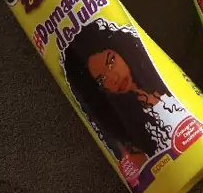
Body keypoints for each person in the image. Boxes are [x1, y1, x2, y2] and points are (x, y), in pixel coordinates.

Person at [62, 19, 185, 171]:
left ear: (122, 50)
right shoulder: (125, 129)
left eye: (111, 61)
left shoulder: (160, 77)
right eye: (102, 79)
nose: (114, 78)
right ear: (97, 90)